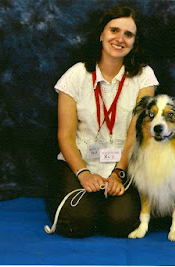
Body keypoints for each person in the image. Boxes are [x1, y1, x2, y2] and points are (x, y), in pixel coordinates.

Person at [45, 6, 159, 238]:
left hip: (122, 164)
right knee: (77, 223)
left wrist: (119, 173)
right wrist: (84, 174)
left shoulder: (144, 76)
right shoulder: (75, 75)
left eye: (128, 34)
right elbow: (65, 135)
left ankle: (101, 203)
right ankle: (77, 198)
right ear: (101, 34)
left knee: (122, 223)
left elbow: (135, 133)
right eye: (114, 30)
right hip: (80, 162)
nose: (120, 39)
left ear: (134, 42)